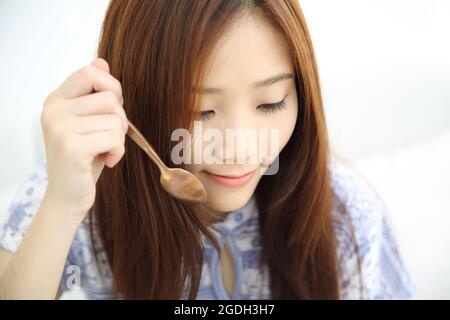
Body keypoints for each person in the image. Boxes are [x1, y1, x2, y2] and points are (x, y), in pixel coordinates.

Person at [0, 0, 415, 299]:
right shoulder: (69, 197)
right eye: (199, 110)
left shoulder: (340, 212)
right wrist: (61, 207)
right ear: (133, 104)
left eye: (270, 103)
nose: (239, 147)